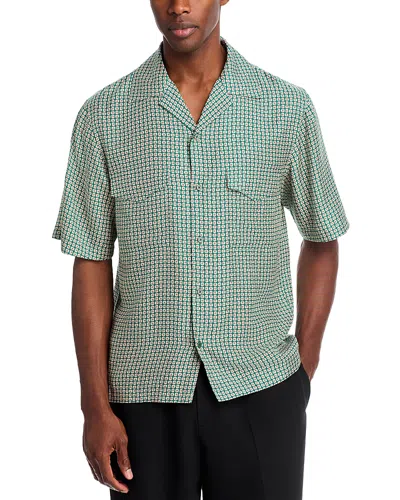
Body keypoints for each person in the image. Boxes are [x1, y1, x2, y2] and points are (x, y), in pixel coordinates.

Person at [52, 1, 350, 499]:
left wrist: (303, 367)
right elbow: (91, 261)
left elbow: (322, 238)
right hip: (143, 396)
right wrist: (94, 407)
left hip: (262, 387)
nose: (178, 6)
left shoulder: (285, 107)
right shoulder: (103, 116)